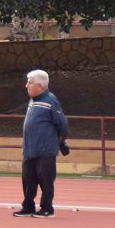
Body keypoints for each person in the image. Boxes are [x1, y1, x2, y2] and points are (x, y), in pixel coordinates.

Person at [14, 69, 68, 218]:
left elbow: (62, 125)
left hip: (45, 150)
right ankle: (28, 206)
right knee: (28, 180)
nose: (26, 86)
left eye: (29, 83)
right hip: (29, 149)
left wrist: (61, 142)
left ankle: (47, 208)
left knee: (46, 180)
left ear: (40, 85)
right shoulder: (33, 100)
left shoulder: (51, 101)